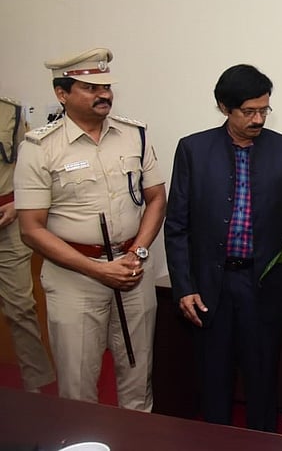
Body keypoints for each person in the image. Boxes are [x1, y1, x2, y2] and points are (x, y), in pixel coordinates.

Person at [164, 64, 282, 432]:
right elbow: (177, 226)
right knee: (214, 378)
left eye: (264, 110)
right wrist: (184, 287)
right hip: (211, 287)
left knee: (263, 376)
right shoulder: (193, 150)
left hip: (264, 284)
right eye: (249, 111)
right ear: (224, 108)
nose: (259, 118)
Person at [14, 48, 167, 410]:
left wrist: (138, 253)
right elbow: (31, 230)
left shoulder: (135, 135)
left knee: (138, 378)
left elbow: (156, 199)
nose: (105, 94)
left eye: (107, 86)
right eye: (90, 87)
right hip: (75, 277)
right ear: (61, 94)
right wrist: (98, 270)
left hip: (132, 271)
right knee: (78, 387)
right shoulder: (39, 148)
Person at [0, 96, 56, 393]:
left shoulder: (10, 112)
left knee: (20, 306)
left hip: (7, 220)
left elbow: (28, 168)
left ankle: (37, 388)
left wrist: (16, 204)